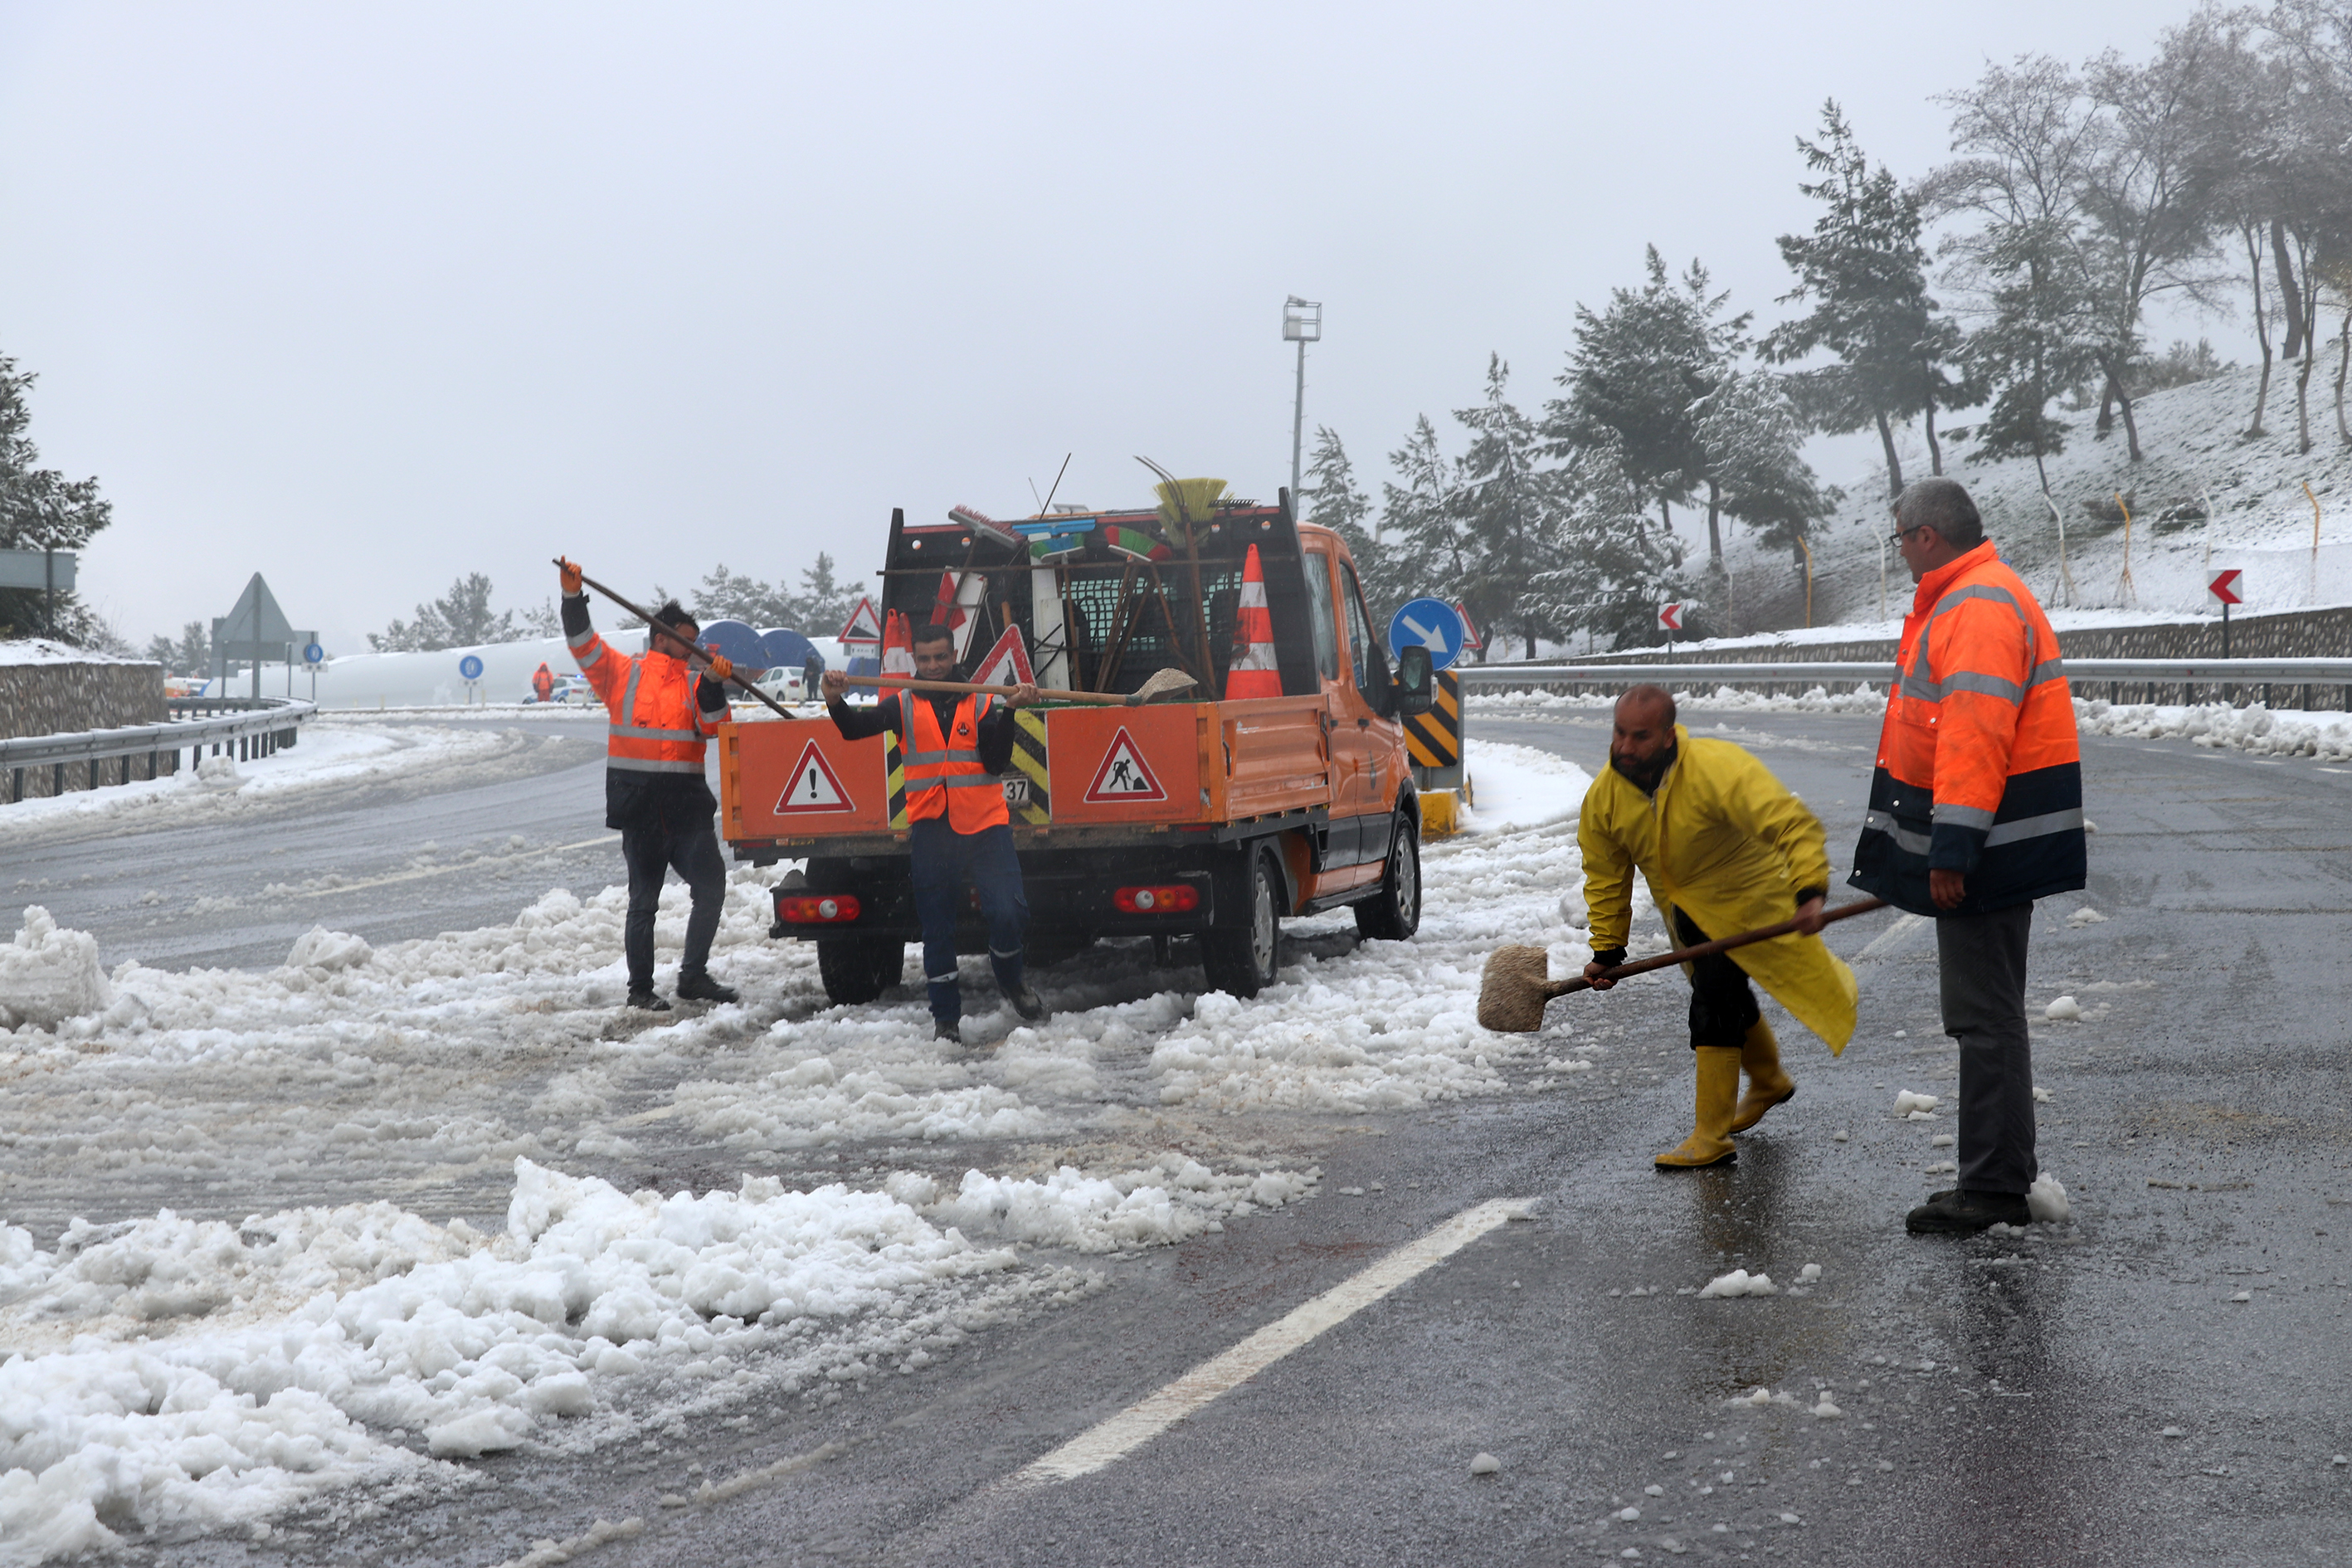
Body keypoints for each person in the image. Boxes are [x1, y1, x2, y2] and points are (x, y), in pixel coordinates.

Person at [1852, 477, 2085, 1234]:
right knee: (1989, 1015)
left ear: (1925, 536)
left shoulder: (1975, 605)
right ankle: (1996, 1175)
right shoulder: (1973, 596)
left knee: (1983, 1018)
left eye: (1900, 538)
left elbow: (1972, 739)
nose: (1900, 552)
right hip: (1996, 837)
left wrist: (1950, 851)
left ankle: (1991, 1187)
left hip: (1987, 845)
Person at [1579, 684, 1858, 1168]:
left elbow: (1791, 824)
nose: (1625, 747)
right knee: (1725, 995)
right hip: (1686, 918)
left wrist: (1809, 890)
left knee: (1713, 1002)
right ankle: (1768, 1081)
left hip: (1750, 907)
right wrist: (1607, 950)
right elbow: (1606, 877)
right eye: (1620, 733)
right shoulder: (1605, 798)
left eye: (1640, 736)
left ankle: (1710, 1136)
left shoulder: (1715, 768)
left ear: (1668, 736)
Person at [820, 621, 1045, 1042]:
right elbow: (853, 730)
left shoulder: (981, 702)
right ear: (915, 660)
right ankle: (946, 1019)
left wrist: (1011, 710)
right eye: (924, 659)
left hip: (986, 827)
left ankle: (1011, 979)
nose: (933, 665)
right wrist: (834, 700)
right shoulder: (901, 704)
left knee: (1009, 912)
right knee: (937, 930)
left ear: (953, 655)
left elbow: (996, 763)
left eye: (940, 657)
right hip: (932, 830)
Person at [558, 558, 740, 1011]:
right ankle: (640, 989)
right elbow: (582, 643)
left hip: (687, 810)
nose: (692, 651)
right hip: (640, 810)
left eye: (696, 644)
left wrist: (714, 684)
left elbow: (716, 726)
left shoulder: (695, 684)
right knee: (643, 903)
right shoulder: (622, 673)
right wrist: (573, 598)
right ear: (662, 637)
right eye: (686, 641)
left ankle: (693, 976)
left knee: (711, 888)